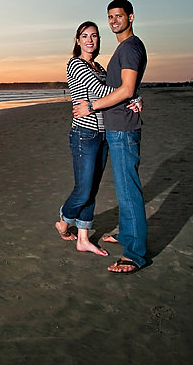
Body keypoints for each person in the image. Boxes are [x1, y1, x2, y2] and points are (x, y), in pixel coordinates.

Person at [73, 0, 147, 274]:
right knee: (124, 189)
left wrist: (90, 106)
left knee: (129, 192)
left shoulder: (129, 47)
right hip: (117, 126)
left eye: (119, 16)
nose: (114, 20)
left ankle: (135, 254)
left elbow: (126, 89)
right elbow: (125, 88)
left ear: (131, 17)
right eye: (110, 16)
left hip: (123, 128)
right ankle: (127, 235)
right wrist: (135, 95)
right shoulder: (125, 48)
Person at [55, 21, 141, 256]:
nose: (90, 40)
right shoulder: (75, 64)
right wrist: (127, 93)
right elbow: (104, 91)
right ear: (77, 40)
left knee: (92, 189)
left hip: (104, 133)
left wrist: (134, 96)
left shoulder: (100, 67)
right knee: (83, 190)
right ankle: (64, 219)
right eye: (85, 36)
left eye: (94, 36)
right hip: (84, 134)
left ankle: (83, 237)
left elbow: (118, 87)